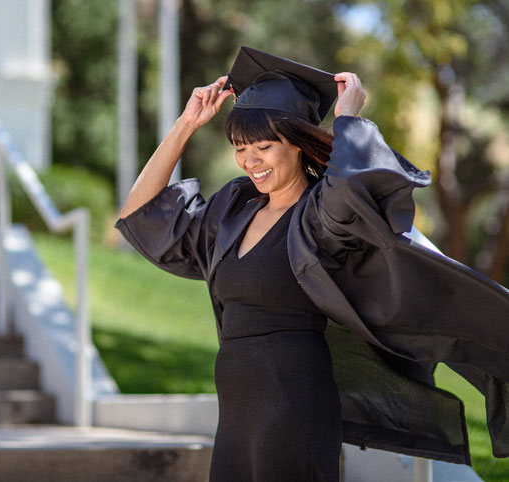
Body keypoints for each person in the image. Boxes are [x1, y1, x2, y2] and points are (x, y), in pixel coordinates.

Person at [116, 46, 509, 481]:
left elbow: (352, 186)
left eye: (264, 146)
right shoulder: (234, 207)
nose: (250, 161)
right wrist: (185, 124)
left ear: (299, 143)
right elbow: (141, 215)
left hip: (294, 403)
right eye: (240, 147)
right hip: (237, 409)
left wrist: (348, 121)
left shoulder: (320, 214)